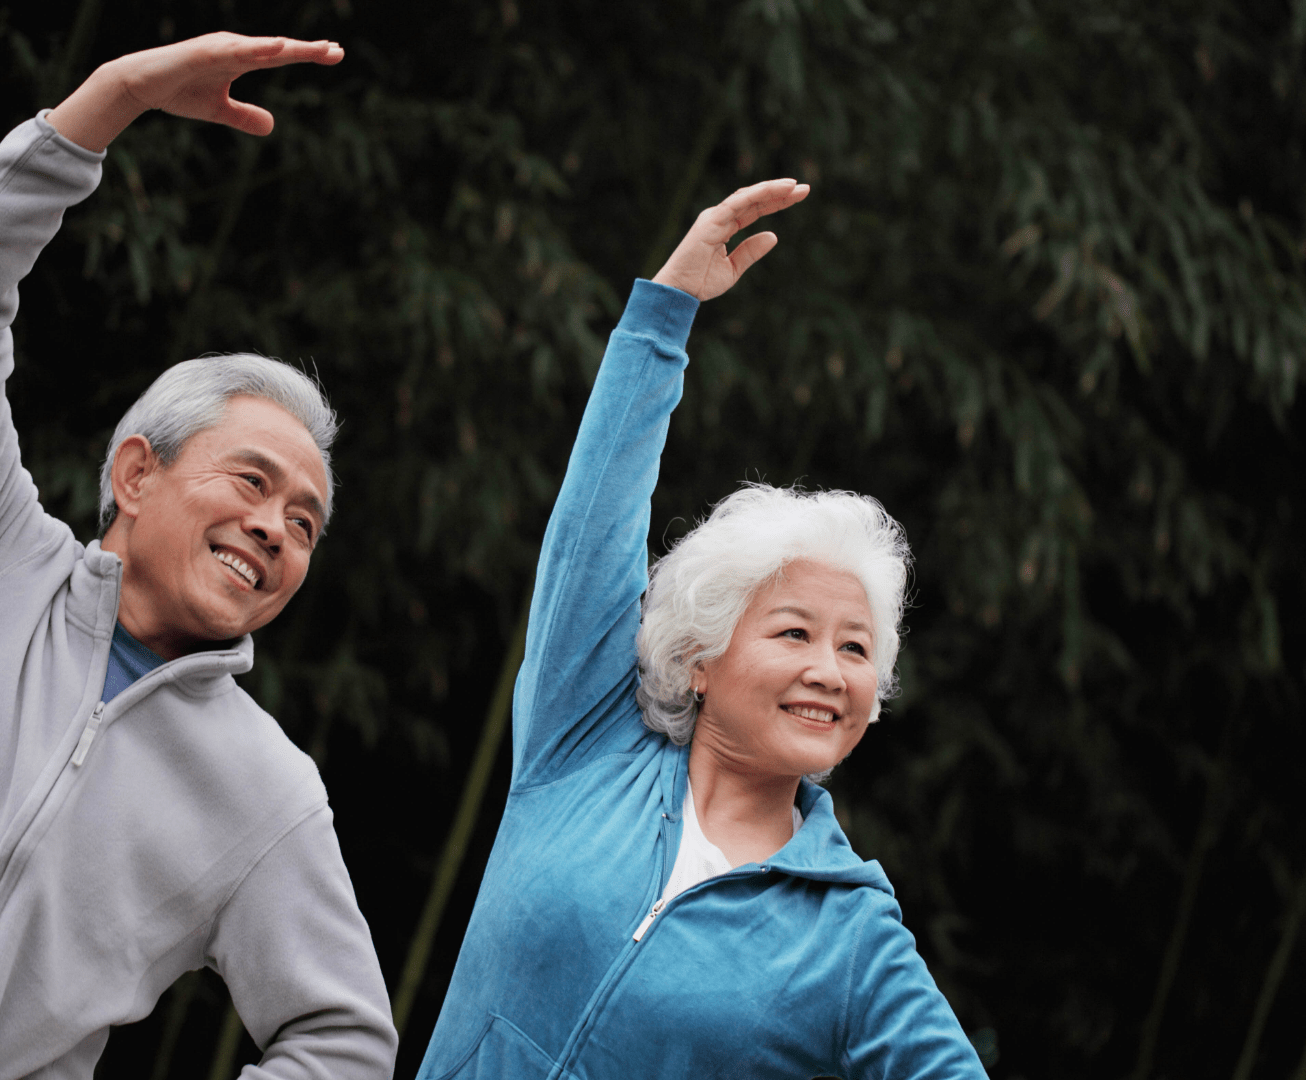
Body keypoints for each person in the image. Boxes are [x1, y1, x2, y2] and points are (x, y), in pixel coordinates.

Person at [0, 34, 397, 1079]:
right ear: (135, 474)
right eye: (251, 482)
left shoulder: (265, 788)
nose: (275, 529)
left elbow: (342, 1042)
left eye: (304, 523)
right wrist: (109, 102)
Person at [415, 184, 989, 1078]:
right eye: (795, 633)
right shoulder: (583, 743)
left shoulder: (852, 938)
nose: (831, 671)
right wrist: (661, 319)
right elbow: (593, 525)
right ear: (700, 659)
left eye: (855, 648)